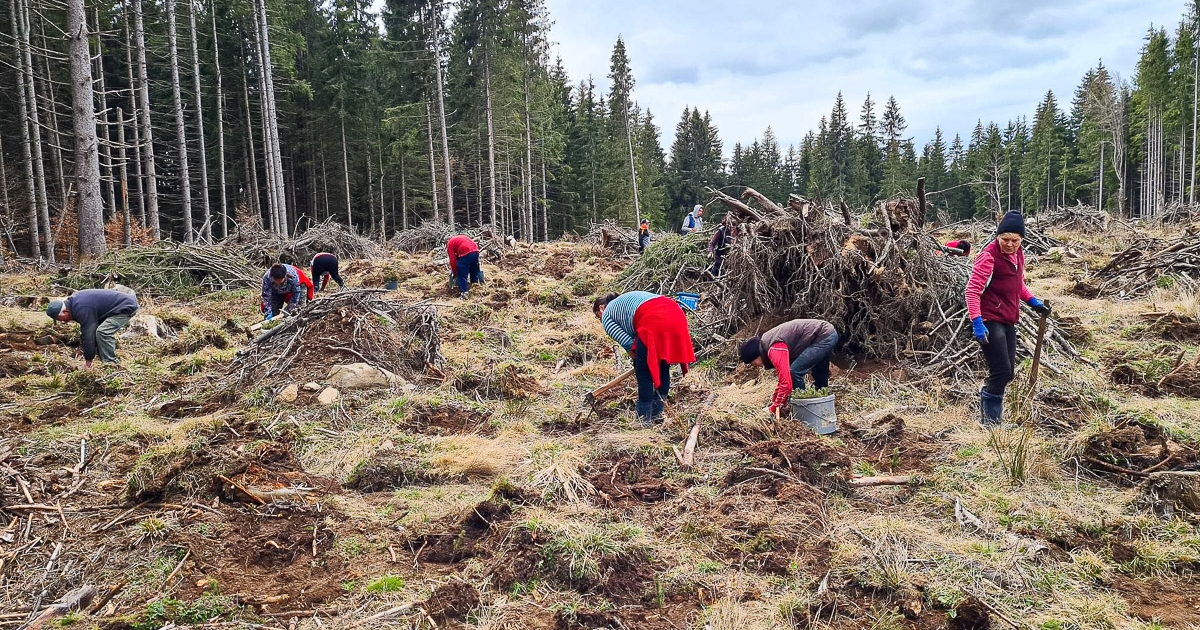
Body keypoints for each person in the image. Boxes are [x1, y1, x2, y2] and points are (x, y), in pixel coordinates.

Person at [965, 211, 1050, 427]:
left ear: (1022, 240)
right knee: (1001, 371)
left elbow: (1017, 284)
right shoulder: (989, 256)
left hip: (1008, 319)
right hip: (990, 319)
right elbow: (972, 291)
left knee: (1008, 372)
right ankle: (991, 425)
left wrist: (1033, 301)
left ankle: (991, 419)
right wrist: (977, 321)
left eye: (1015, 240)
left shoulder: (1019, 254)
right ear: (997, 237)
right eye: (1005, 240)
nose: (1010, 245)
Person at [593, 291, 696, 424]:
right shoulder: (625, 303)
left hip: (654, 319)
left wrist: (638, 362)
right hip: (675, 312)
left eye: (597, 316)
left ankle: (643, 419)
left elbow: (629, 344)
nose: (600, 320)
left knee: (644, 373)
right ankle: (656, 413)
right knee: (663, 367)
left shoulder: (607, 316)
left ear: (601, 308)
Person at [739, 319, 838, 417]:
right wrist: (774, 402)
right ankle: (823, 407)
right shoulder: (768, 344)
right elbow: (783, 380)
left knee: (794, 372)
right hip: (826, 332)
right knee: (819, 375)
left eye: (752, 362)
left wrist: (774, 409)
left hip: (823, 335)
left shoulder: (774, 348)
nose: (754, 365)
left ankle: (804, 411)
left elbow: (786, 383)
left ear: (756, 356)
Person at [46, 289, 140, 368]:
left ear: (65, 312)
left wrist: (88, 360)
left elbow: (88, 334)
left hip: (125, 307)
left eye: (60, 318)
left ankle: (111, 364)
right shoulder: (74, 305)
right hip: (114, 308)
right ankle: (103, 359)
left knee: (103, 332)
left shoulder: (81, 308)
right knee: (98, 330)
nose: (62, 321)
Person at [447, 234, 484, 298]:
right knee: (474, 270)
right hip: (475, 251)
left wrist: (455, 272)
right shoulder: (461, 237)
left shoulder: (449, 243)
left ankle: (464, 293)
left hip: (466, 251)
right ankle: (475, 287)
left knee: (461, 274)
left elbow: (452, 260)